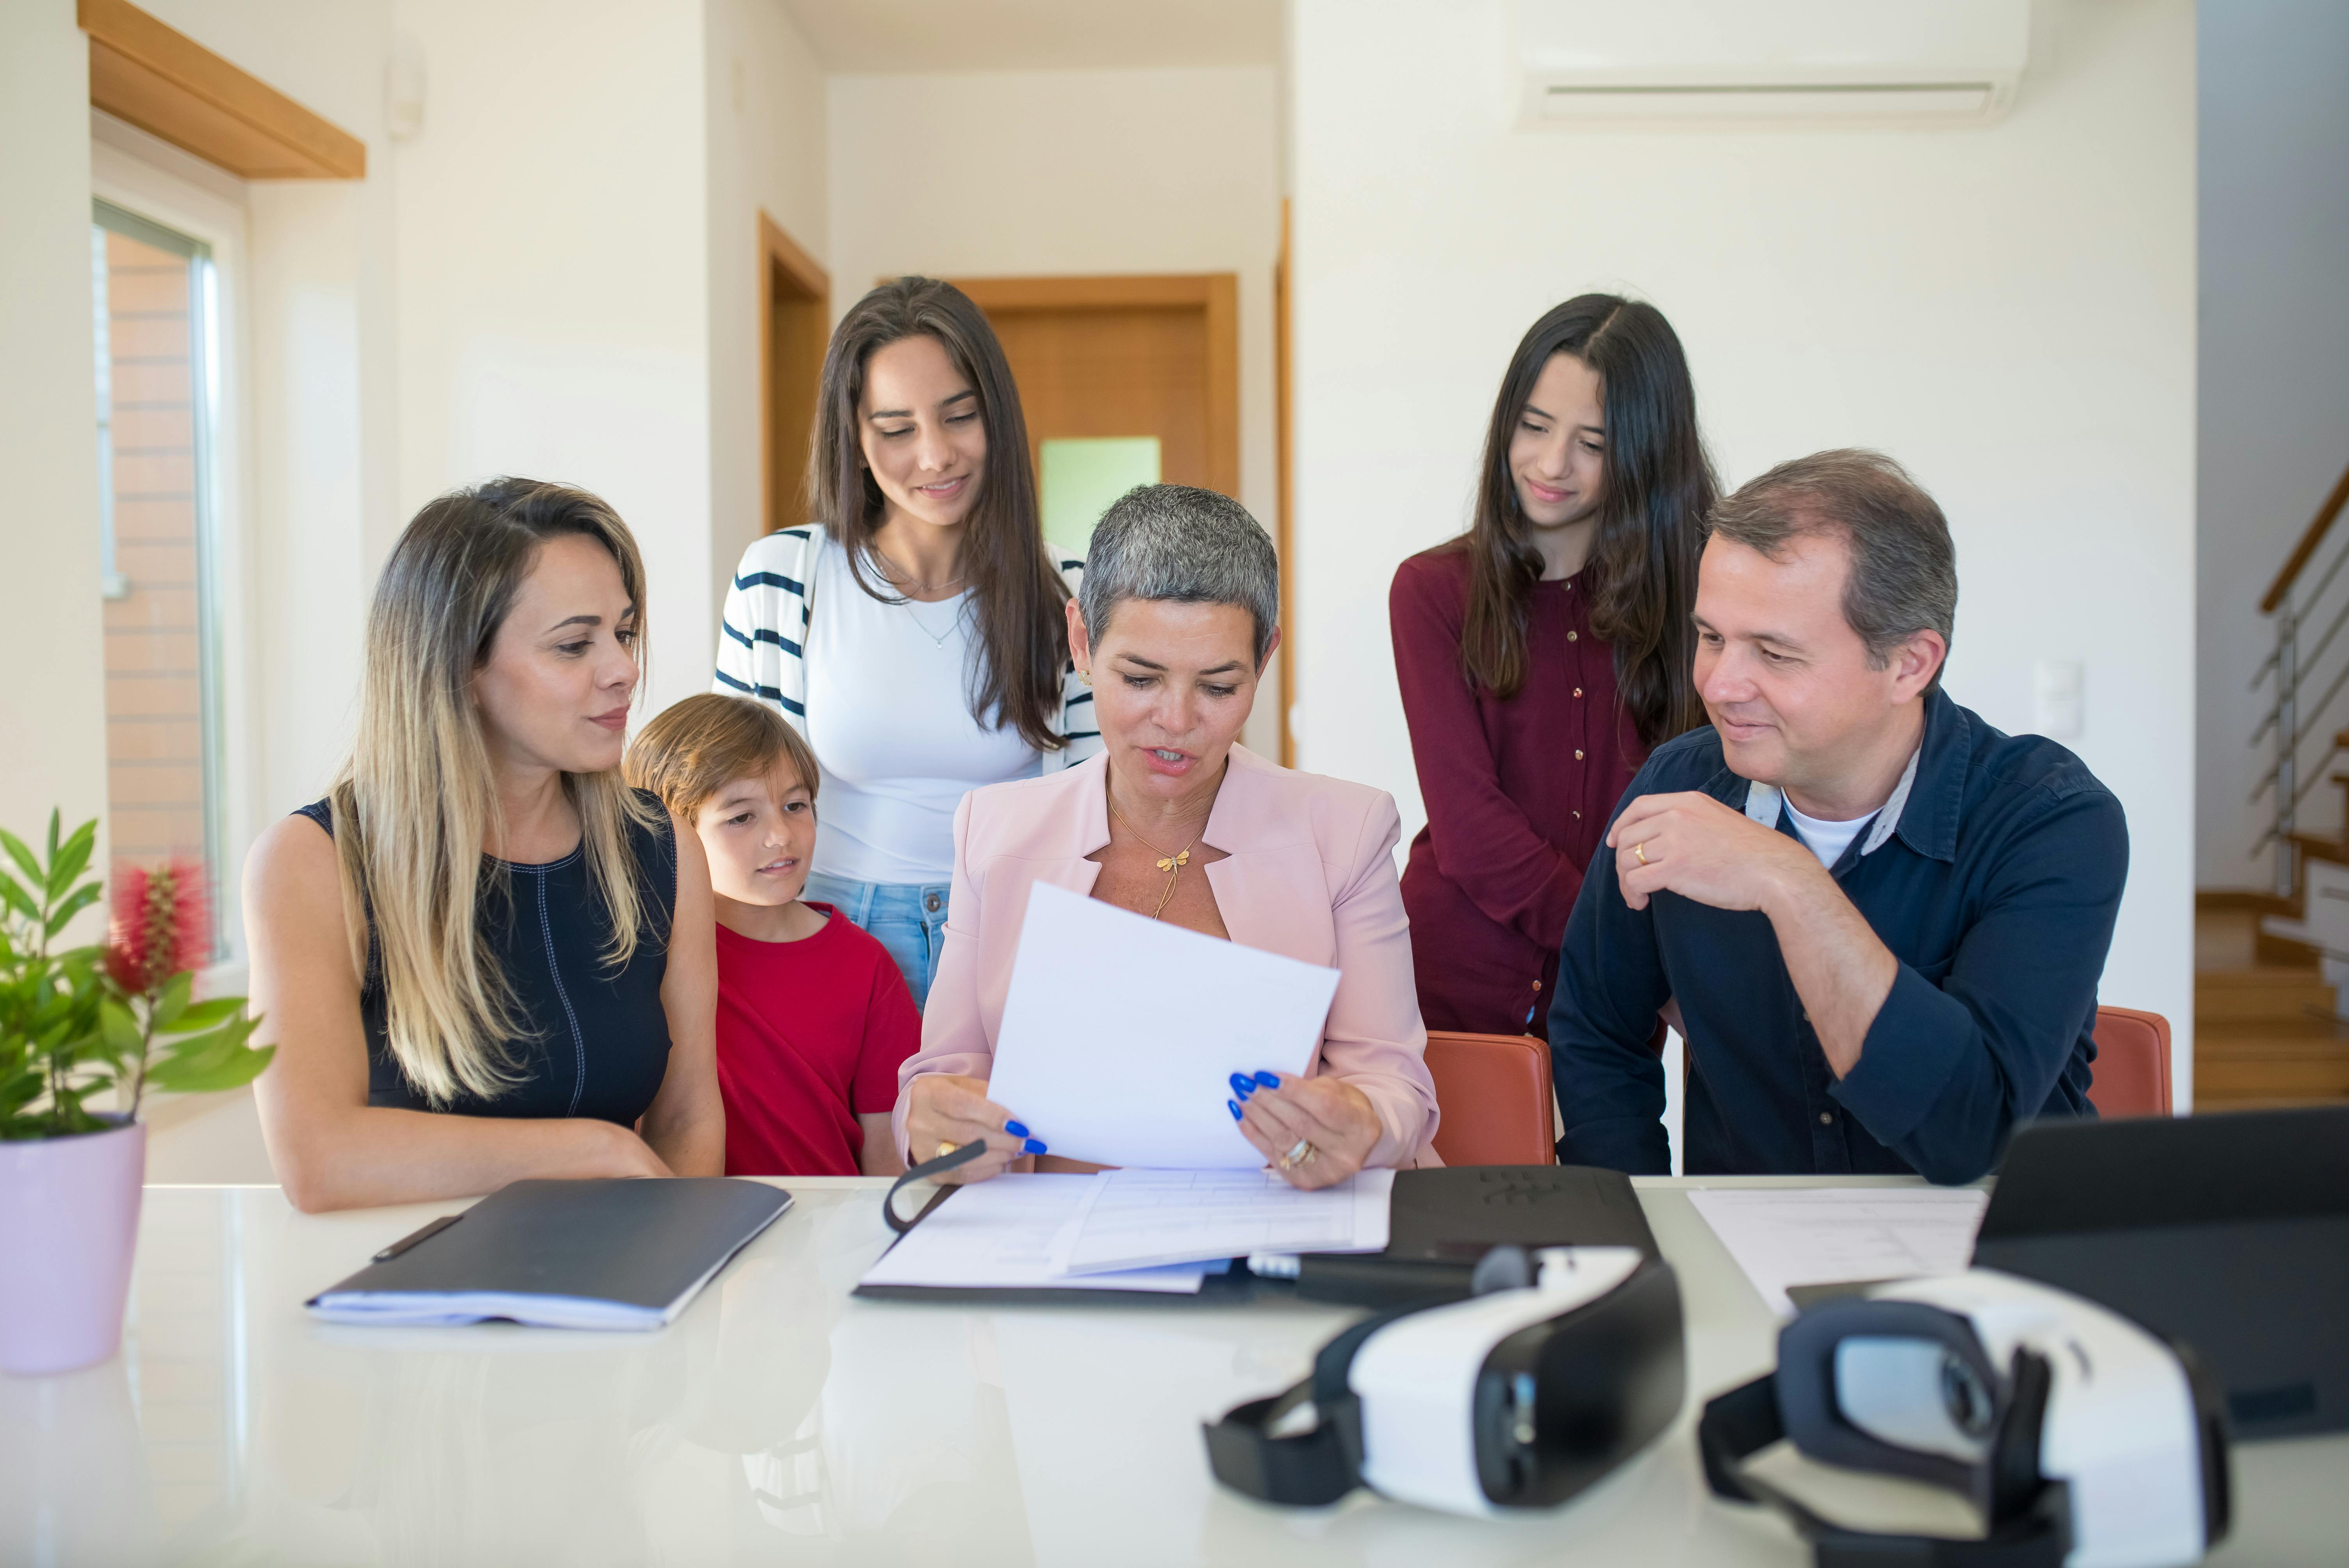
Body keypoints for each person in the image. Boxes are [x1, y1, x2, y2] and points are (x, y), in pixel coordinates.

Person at [1550, 450, 2127, 1185]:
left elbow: (1968, 1134)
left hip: (1992, 1255)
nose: (1720, 684)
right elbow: (1597, 1030)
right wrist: (1642, 1227)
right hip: (1751, 1256)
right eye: (1712, 637)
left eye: (1774, 652)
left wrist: (1787, 879)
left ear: (1910, 664)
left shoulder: (2050, 821)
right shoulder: (1679, 782)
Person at [894, 484, 1440, 1188]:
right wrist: (929, 1121)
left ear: (1264, 660)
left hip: (1274, 1235)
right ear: (1082, 644)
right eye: (1142, 678)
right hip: (1046, 1245)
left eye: (1218, 687)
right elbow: (941, 1079)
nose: (1176, 720)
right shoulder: (993, 833)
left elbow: (1397, 1086)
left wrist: (1363, 1120)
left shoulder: (1346, 831)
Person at [244, 479, 724, 1212]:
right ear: (460, 667)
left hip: (619, 1295)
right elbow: (319, 1158)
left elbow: (688, 1116)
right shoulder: (309, 864)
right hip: (406, 1299)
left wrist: (675, 1263)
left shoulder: (665, 848)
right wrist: (595, 1149)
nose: (624, 668)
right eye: (574, 644)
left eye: (623, 633)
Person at [714, 277, 1099, 1010]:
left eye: (960, 417)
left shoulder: (1068, 590)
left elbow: (1095, 804)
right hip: (825, 938)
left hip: (1010, 943)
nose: (935, 456)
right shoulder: (783, 578)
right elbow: (724, 799)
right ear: (855, 443)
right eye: (896, 430)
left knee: (991, 1134)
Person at [1391, 295, 1716, 1035]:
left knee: (1606, 1156)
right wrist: (1631, 953)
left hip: (1606, 1010)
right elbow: (1471, 833)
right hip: (1446, 984)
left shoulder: (1697, 605)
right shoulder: (1433, 591)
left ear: (1643, 454)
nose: (1550, 463)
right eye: (1533, 426)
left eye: (1593, 443)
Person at [625, 693, 918, 1177]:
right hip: (696, 1233)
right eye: (742, 816)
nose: (781, 835)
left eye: (795, 805)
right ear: (668, 831)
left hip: (836, 1239)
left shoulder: (866, 964)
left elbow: (888, 1154)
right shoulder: (641, 962)